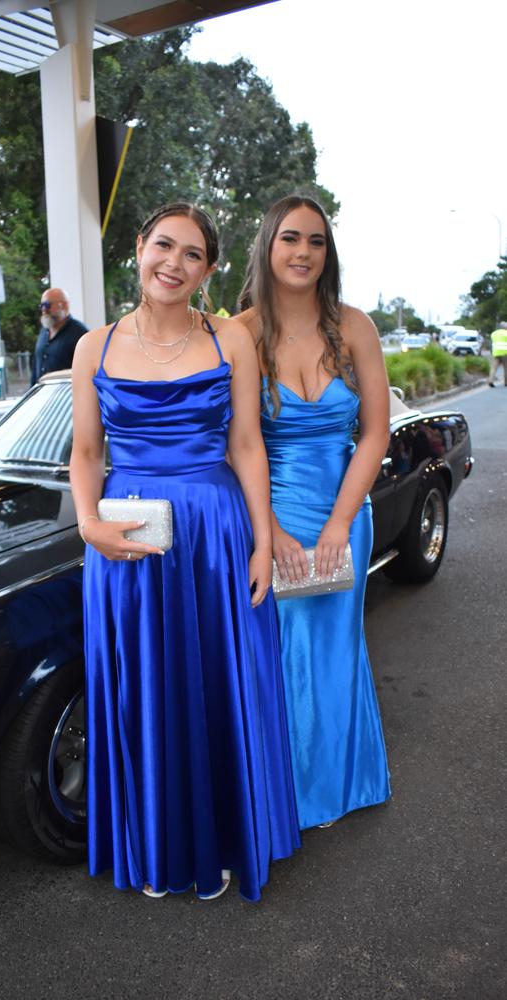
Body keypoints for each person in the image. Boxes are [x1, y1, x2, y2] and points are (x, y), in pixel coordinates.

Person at [69, 202, 300, 901]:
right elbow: (84, 453)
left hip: (214, 533)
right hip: (124, 536)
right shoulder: (94, 347)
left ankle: (221, 838)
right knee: (139, 685)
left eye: (192, 254)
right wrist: (87, 525)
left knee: (213, 681)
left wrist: (262, 542)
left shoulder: (230, 338)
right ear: (138, 249)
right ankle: (153, 843)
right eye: (163, 246)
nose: (173, 262)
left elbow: (247, 445)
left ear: (209, 269)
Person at [236, 194, 391, 830]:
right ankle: (288, 793)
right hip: (270, 515)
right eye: (291, 239)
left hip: (344, 511)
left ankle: (338, 783)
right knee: (283, 651)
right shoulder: (239, 334)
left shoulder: (354, 326)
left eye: (317, 242)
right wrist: (268, 533)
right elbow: (235, 445)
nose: (304, 252)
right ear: (268, 247)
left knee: (334, 645)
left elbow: (376, 432)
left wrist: (337, 523)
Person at [31, 287, 87, 384]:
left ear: (64, 306)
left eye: (47, 305)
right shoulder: (43, 332)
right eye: (41, 305)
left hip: (66, 396)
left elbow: (87, 370)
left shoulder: (80, 333)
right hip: (44, 395)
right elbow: (35, 369)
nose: (44, 309)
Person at [488, 321, 507, 387]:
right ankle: (506, 382)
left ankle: (490, 381)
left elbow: (492, 343)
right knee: (506, 368)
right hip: (505, 353)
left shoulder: (494, 333)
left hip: (496, 352)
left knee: (493, 368)